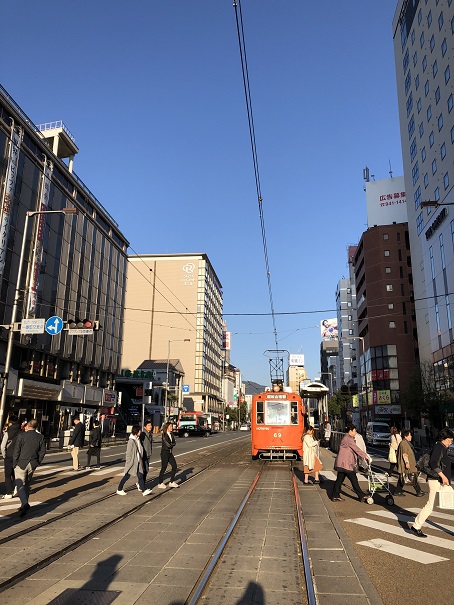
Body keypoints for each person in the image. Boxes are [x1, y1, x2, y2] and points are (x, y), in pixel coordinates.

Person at [410, 428, 454, 537]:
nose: (450, 443)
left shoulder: (442, 447)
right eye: (449, 440)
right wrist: (443, 477)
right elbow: (433, 463)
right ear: (443, 438)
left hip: (441, 481)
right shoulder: (439, 447)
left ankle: (416, 526)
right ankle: (416, 526)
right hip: (436, 481)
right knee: (429, 506)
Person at [12, 419, 46, 517]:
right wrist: (38, 461)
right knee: (27, 483)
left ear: (28, 425)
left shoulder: (22, 436)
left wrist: (15, 463)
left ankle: (25, 503)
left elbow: (16, 451)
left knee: (20, 484)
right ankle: (23, 505)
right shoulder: (40, 437)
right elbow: (43, 451)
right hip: (33, 462)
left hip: (21, 462)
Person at [331, 424, 371, 502]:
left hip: (343, 463)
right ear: (351, 430)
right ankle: (361, 496)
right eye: (355, 431)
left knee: (339, 480)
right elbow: (356, 449)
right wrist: (365, 456)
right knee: (354, 479)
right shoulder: (348, 439)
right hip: (346, 464)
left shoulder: (348, 438)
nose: (355, 432)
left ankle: (335, 496)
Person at [117, 425, 152, 496]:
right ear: (136, 431)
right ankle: (119, 489)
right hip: (133, 462)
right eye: (139, 431)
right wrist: (129, 462)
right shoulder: (131, 441)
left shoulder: (137, 439)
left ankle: (144, 490)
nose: (140, 432)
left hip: (138, 461)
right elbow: (128, 453)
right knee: (127, 475)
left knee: (140, 475)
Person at [394, 429, 424, 497]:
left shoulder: (406, 443)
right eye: (410, 435)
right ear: (405, 436)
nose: (411, 436)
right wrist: (407, 463)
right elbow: (404, 454)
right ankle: (418, 491)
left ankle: (398, 491)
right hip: (407, 464)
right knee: (411, 476)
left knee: (405, 477)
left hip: (409, 463)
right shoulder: (404, 443)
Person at [1, 415, 21, 499]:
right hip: (19, 455)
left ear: (10, 423)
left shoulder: (8, 432)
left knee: (7, 475)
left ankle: (9, 492)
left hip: (9, 455)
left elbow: (3, 445)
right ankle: (17, 487)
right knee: (16, 473)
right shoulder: (22, 432)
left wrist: (4, 455)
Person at [157, 422, 178, 489]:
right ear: (167, 427)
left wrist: (172, 444)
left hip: (170, 452)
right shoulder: (164, 435)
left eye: (172, 426)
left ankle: (171, 481)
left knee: (174, 466)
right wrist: (172, 444)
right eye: (170, 426)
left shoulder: (171, 434)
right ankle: (160, 483)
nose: (172, 428)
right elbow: (168, 444)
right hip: (164, 453)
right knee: (164, 467)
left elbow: (174, 443)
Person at [140, 419, 153, 485]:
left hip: (148, 454)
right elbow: (140, 443)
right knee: (145, 470)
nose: (150, 426)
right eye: (148, 425)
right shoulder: (143, 434)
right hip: (144, 455)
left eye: (150, 425)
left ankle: (142, 483)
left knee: (145, 470)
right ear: (145, 427)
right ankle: (141, 484)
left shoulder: (150, 434)